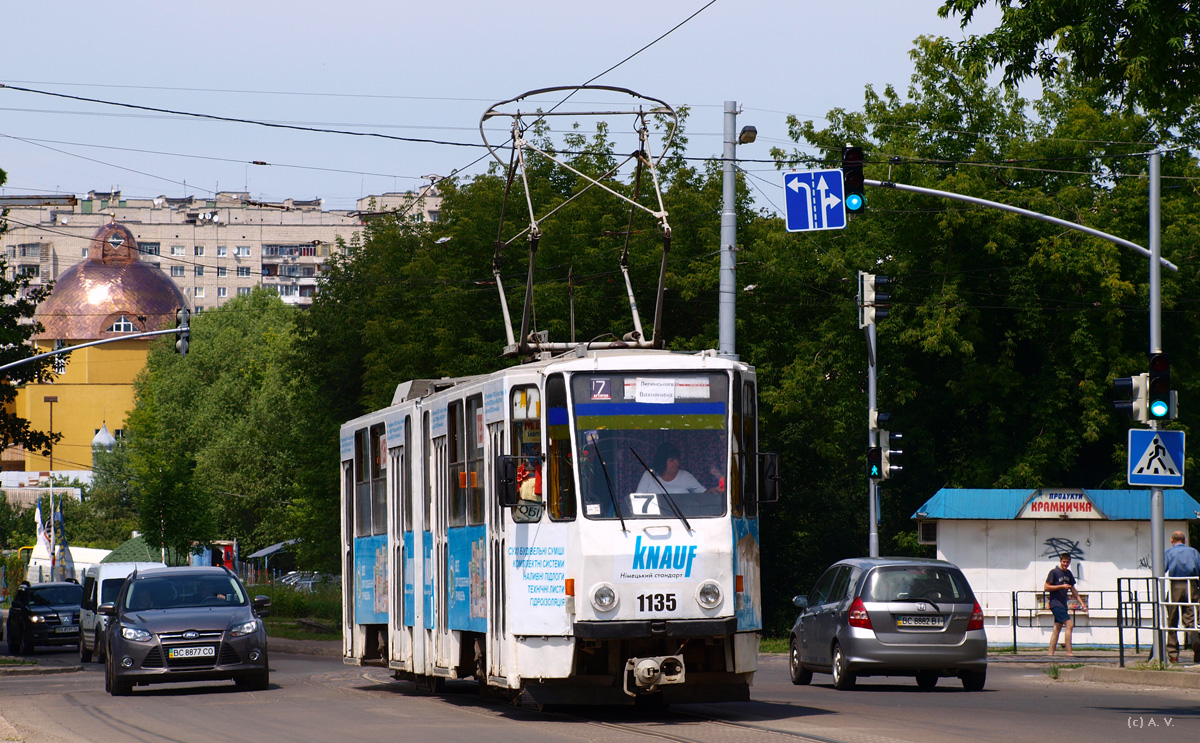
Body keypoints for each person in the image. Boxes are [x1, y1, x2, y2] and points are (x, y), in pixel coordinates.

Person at [1164, 530, 1200, 663]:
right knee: (1191, 620)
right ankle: (1196, 642)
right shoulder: (1193, 552)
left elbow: (1162, 568)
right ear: (1184, 541)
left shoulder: (1169, 553)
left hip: (1176, 585)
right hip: (1191, 585)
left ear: (1172, 540)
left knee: (1172, 620)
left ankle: (1173, 654)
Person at [635, 442, 714, 495]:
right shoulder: (649, 475)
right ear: (662, 462)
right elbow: (638, 499)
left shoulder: (685, 476)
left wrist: (713, 491)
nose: (676, 463)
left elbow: (704, 494)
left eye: (677, 459)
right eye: (671, 460)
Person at [1044, 553, 1084, 657]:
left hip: (1063, 604)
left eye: (1067, 562)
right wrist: (1061, 586)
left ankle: (1050, 654)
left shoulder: (1069, 574)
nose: (1065, 564)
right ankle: (1069, 653)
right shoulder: (1054, 572)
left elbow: (1073, 590)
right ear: (1060, 561)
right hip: (1055, 604)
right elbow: (1046, 587)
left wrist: (1082, 604)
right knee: (1069, 625)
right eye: (1064, 562)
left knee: (1057, 628)